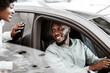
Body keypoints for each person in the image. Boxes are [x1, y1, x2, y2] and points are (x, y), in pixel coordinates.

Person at [44, 22, 110, 73]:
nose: (56, 33)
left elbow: (93, 60)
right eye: (53, 30)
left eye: (60, 29)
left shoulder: (78, 43)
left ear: (69, 29)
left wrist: (106, 62)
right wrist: (91, 68)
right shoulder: (51, 51)